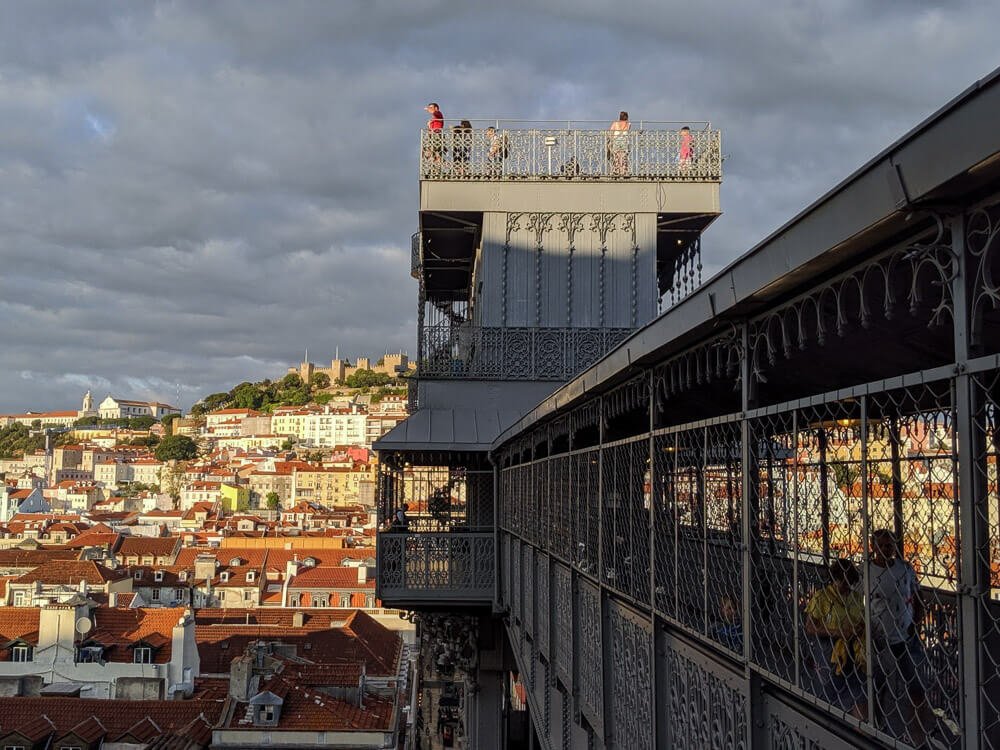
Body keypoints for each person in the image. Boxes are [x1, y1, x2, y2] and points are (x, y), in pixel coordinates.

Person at [868, 529, 934, 745]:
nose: (888, 549)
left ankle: (917, 735)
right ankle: (878, 725)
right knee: (878, 685)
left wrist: (916, 622)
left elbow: (918, 595)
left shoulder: (905, 568)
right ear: (873, 547)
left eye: (891, 545)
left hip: (906, 635)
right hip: (879, 638)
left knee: (916, 686)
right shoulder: (866, 572)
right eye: (883, 546)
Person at [804, 559, 867, 719]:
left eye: (848, 583)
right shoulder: (822, 597)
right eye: (842, 582)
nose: (845, 587)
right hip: (830, 653)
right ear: (834, 579)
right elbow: (810, 627)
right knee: (829, 692)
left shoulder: (856, 598)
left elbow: (862, 619)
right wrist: (838, 632)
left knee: (860, 693)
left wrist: (859, 628)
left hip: (855, 651)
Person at [608, 111, 631, 176]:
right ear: (626, 117)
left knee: (617, 157)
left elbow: (610, 133)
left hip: (616, 141)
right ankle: (624, 171)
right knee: (624, 157)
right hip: (624, 141)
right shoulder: (628, 124)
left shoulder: (615, 124)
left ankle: (616, 170)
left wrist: (610, 141)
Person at [424, 103, 445, 173]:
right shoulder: (434, 118)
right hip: (432, 136)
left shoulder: (439, 114)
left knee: (437, 153)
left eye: (431, 107)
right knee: (432, 153)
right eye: (429, 107)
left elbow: (436, 113)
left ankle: (437, 170)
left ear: (436, 108)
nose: (429, 108)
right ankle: (434, 169)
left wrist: (429, 110)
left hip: (437, 135)